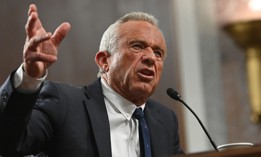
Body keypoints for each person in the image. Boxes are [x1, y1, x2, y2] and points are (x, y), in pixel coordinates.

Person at [0, 3, 183, 157]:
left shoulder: (165, 120)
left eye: (158, 53)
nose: (151, 57)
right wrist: (29, 77)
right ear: (104, 61)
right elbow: (8, 142)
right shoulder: (64, 104)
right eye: (137, 46)